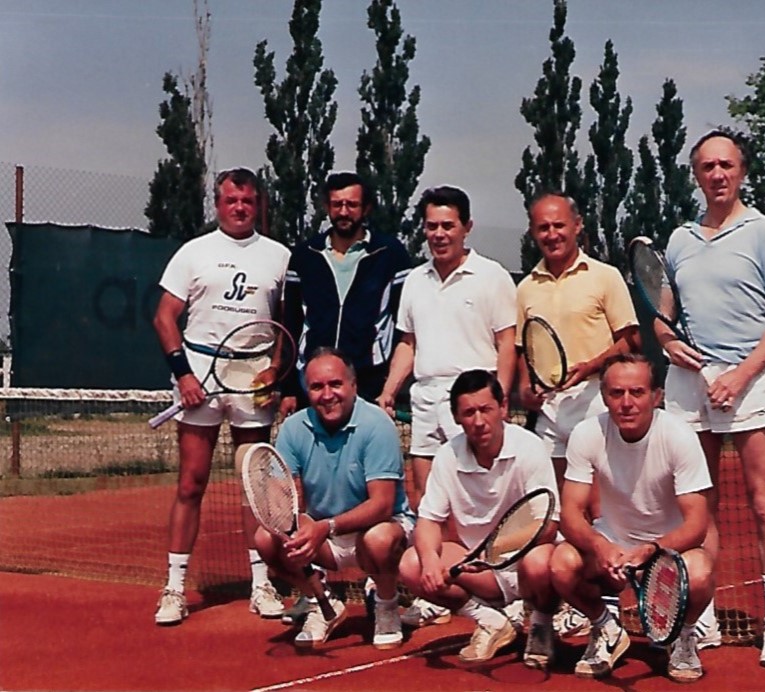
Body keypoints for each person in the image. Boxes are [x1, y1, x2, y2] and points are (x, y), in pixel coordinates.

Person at [656, 129, 765, 668]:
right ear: (696, 174)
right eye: (707, 167)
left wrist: (740, 376)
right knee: (699, 506)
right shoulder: (679, 240)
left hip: (750, 380)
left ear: (741, 171)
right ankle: (702, 619)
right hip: (689, 385)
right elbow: (663, 316)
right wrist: (667, 342)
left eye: (726, 165)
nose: (717, 174)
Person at [152, 167, 290, 625]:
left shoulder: (279, 256)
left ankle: (261, 585)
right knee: (191, 483)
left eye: (247, 201)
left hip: (253, 377)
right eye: (231, 200)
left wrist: (274, 370)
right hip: (200, 373)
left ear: (258, 204)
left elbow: (289, 324)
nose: (239, 208)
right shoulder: (193, 252)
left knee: (255, 487)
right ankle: (174, 589)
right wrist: (184, 375)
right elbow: (164, 318)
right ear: (218, 204)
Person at [378, 185, 518, 629]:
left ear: (466, 227)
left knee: (477, 502)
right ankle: (438, 589)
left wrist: (499, 398)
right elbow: (408, 343)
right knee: (427, 502)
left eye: (448, 226)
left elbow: (507, 343)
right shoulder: (414, 281)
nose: (439, 234)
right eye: (431, 226)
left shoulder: (492, 276)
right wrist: (389, 390)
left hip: (474, 400)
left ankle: (496, 589)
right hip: (425, 399)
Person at [515, 191, 639, 637]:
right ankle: (566, 601)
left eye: (559, 225)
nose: (552, 234)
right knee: (556, 510)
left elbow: (631, 341)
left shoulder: (605, 277)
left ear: (577, 225)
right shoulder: (525, 288)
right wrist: (524, 390)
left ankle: (608, 603)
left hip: (594, 400)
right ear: (533, 232)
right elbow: (524, 351)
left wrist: (591, 366)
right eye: (542, 228)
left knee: (599, 510)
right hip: (550, 412)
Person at [549, 354, 715, 682]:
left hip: (666, 550)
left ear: (656, 396)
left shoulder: (679, 436)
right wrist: (600, 545)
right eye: (616, 393)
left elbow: (697, 524)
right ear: (604, 396)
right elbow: (570, 513)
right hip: (612, 544)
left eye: (637, 392)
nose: (626, 403)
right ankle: (606, 628)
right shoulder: (586, 434)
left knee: (700, 572)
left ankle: (683, 637)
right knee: (560, 564)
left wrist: (653, 549)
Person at [254, 347, 414, 649]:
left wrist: (324, 527)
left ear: (353, 385)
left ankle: (386, 604)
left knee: (379, 539)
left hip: (380, 528)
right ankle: (322, 603)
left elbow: (382, 505)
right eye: (317, 387)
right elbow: (280, 498)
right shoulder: (293, 429)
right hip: (325, 536)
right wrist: (295, 527)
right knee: (265, 538)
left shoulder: (377, 425)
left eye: (335, 384)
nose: (327, 395)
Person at [398, 369, 560, 668]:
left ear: (503, 408)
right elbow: (429, 521)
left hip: (526, 568)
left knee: (540, 562)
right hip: (479, 571)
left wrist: (494, 550)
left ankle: (541, 624)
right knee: (412, 564)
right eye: (469, 413)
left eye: (485, 409)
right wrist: (431, 562)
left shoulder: (530, 447)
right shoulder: (447, 455)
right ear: (456, 418)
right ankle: (490, 620)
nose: (478, 420)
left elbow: (548, 526)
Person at [280, 171, 412, 413]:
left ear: (366, 208)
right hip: (315, 379)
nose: (343, 212)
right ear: (326, 207)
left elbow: (403, 323)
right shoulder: (305, 255)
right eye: (337, 204)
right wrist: (288, 388)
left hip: (369, 379)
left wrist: (389, 383)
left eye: (351, 205)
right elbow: (291, 323)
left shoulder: (390, 253)